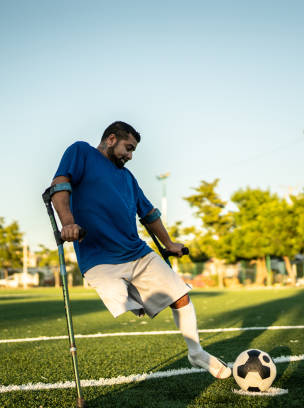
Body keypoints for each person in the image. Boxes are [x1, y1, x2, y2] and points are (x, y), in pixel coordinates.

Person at [48, 121, 231, 379]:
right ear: (111, 139)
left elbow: (148, 213)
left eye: (133, 151)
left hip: (136, 251)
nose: (130, 156)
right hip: (99, 258)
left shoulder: (127, 178)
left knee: (180, 295)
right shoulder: (81, 152)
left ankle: (196, 352)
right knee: (128, 303)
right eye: (128, 148)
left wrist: (169, 245)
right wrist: (68, 223)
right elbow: (59, 185)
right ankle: (140, 299)